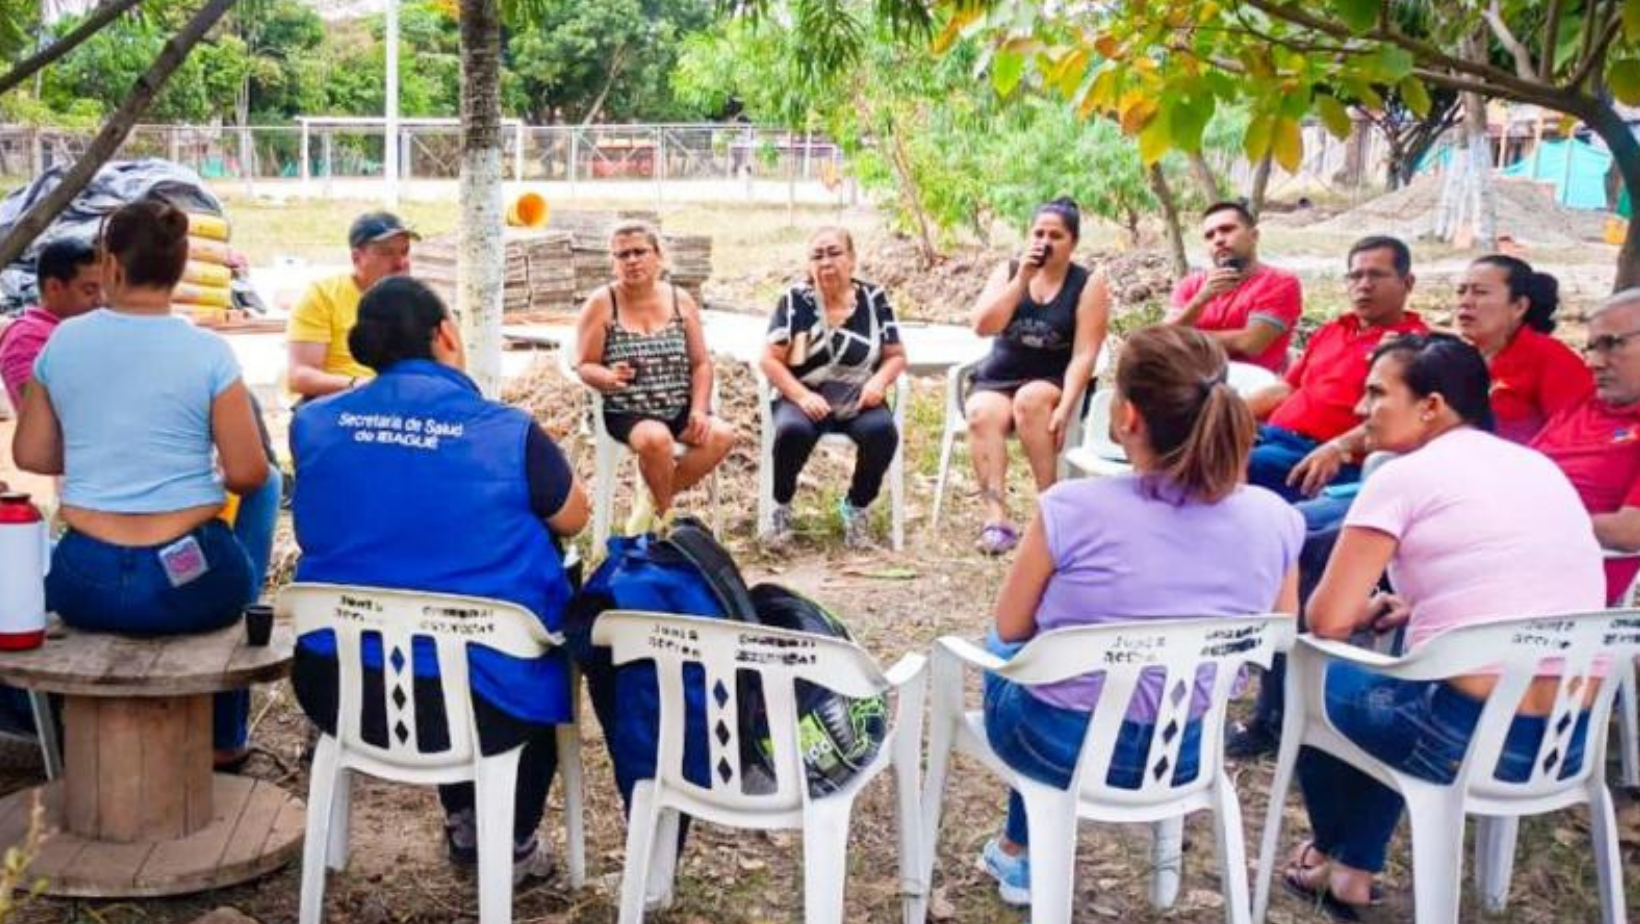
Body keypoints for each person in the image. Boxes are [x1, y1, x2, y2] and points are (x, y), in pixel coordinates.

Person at [976, 325, 1302, 906]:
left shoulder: (1069, 509)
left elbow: (1009, 630)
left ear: (1126, 416)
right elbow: (1277, 633)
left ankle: (1021, 853)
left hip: (1059, 748)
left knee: (1005, 655)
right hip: (1187, 752)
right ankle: (1033, 853)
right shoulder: (1277, 519)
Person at [1286, 333, 1603, 916]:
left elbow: (1326, 621)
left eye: (1377, 393)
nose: (1360, 410)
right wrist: (1416, 607)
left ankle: (1335, 855)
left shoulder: (1402, 476)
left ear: (1431, 405)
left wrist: (1357, 611)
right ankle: (1352, 871)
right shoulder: (1537, 466)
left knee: (1305, 674)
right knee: (1405, 661)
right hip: (1569, 741)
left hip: (1461, 744)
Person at [290, 276, 590, 881]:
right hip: (483, 704)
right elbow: (574, 517)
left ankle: (464, 819)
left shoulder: (312, 425)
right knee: (513, 643)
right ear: (446, 335)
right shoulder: (507, 432)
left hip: (340, 688)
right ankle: (508, 841)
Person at [10, 199, 272, 768]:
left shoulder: (64, 343)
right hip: (191, 580)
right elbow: (249, 473)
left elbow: (29, 453)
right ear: (178, 272)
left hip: (84, 580)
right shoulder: (208, 351)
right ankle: (225, 736)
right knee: (263, 503)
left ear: (111, 266)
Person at [966, 197, 1110, 555]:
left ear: (1072, 243)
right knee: (981, 412)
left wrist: (1066, 406)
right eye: (1039, 233)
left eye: (1056, 236)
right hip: (1001, 376)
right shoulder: (1010, 271)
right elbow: (983, 327)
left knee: (1031, 401)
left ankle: (1051, 510)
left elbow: (1085, 354)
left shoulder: (1087, 284)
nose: (1045, 242)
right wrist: (1021, 282)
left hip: (1054, 378)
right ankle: (995, 518)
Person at [573, 221, 734, 531]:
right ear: (613, 263)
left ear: (659, 256)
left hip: (677, 405)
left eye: (639, 252)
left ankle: (651, 501)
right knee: (656, 439)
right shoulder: (603, 303)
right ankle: (665, 519)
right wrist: (606, 377)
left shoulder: (680, 300)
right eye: (622, 255)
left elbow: (701, 363)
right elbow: (583, 364)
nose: (631, 261)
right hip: (626, 410)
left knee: (722, 435)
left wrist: (699, 409)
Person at [1245, 236, 1428, 506]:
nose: (1364, 285)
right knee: (1188, 447)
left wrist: (1337, 446)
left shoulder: (1417, 348)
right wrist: (1222, 413)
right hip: (1274, 436)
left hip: (1327, 457)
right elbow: (1287, 388)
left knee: (1225, 467)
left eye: (1376, 275)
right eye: (1355, 276)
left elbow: (1401, 421)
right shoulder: (1332, 330)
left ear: (1407, 282)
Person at [758, 227, 907, 550]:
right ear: (808, 265)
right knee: (791, 432)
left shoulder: (875, 299)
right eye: (817, 255)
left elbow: (896, 357)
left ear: (852, 259)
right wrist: (801, 395)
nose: (826, 261)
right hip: (803, 395)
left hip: (858, 397)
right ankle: (780, 508)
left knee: (883, 433)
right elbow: (770, 361)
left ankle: (856, 506)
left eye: (834, 252)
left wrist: (879, 382)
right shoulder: (795, 302)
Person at [1530, 287, 1640, 603]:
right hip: (1505, 548)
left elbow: (1629, 532)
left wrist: (1527, 518)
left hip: (1568, 575)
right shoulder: (1584, 404)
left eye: (1611, 344)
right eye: (1590, 348)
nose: (1594, 363)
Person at [1454, 255, 1592, 443]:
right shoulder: (1455, 356)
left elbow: (1576, 435)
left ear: (1519, 306)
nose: (1465, 302)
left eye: (1480, 292)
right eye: (1461, 291)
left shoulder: (1550, 357)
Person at [286, 211, 418, 400]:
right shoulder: (322, 296)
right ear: (357, 258)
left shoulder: (416, 301)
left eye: (405, 252)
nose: (400, 263)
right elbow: (299, 376)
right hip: (338, 402)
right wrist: (358, 385)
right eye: (387, 253)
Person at [1166, 200, 1303, 374]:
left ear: (1254, 236)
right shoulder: (1191, 285)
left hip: (1254, 388)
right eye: (1210, 235)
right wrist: (1200, 300)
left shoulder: (1280, 282)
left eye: (1227, 229)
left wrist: (1182, 340)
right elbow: (1162, 339)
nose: (1218, 239)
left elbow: (1251, 343)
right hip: (1192, 382)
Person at [0, 238, 101, 409]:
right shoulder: (26, 339)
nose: (100, 299)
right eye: (89, 291)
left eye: (103, 289)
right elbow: (40, 414)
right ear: (54, 287)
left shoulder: (85, 328)